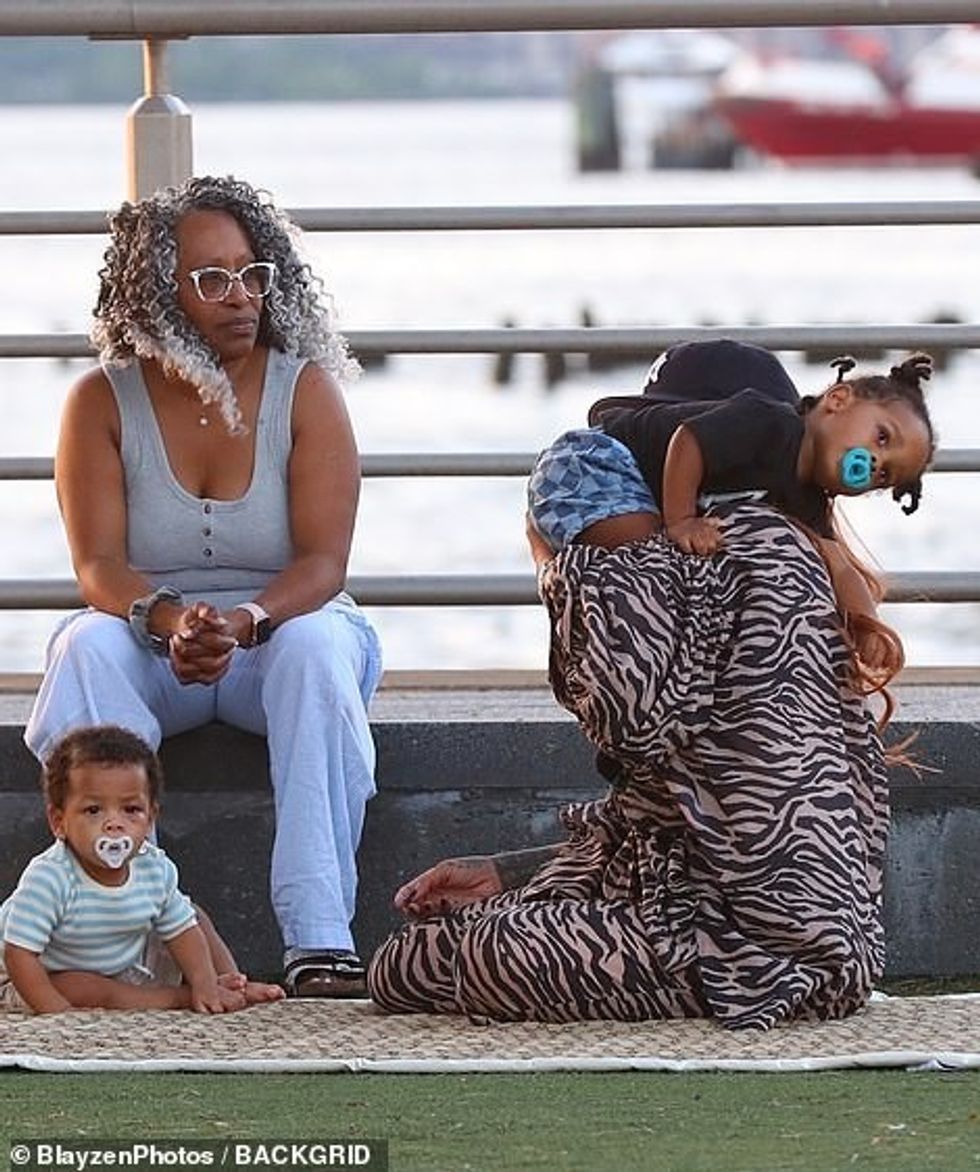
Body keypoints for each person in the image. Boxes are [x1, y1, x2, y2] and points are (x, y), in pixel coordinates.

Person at [367, 346, 935, 1031]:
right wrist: (510, 874)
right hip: (811, 935)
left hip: (745, 950)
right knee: (453, 941)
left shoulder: (721, 560)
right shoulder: (797, 559)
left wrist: (560, 568)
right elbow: (685, 800)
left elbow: (633, 724)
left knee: (416, 961)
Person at [24, 175, 383, 998]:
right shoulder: (100, 401)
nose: (242, 296)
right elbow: (98, 567)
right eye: (212, 279)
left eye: (252, 274)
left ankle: (320, 938)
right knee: (86, 648)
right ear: (157, 292)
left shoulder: (305, 390)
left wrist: (247, 619)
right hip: (155, 636)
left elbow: (324, 564)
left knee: (316, 648)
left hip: (279, 631)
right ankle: (125, 927)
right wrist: (171, 620)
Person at [527, 341, 935, 674]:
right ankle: (550, 563)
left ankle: (559, 567)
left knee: (657, 578)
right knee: (651, 563)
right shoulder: (769, 422)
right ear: (838, 399)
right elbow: (688, 440)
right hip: (596, 463)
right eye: (882, 438)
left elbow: (838, 563)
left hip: (634, 490)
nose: (877, 464)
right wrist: (681, 521)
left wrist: (869, 626)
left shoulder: (804, 497)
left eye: (886, 476)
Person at [1, 725, 285, 1014]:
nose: (114, 824)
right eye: (93, 810)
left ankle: (227, 984)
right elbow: (18, 954)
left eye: (131, 810)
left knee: (192, 917)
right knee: (82, 987)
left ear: (150, 818)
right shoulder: (50, 877)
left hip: (121, 961)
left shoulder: (153, 868)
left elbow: (182, 931)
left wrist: (203, 980)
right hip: (31, 976)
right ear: (58, 821)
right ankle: (179, 997)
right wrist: (54, 1013)